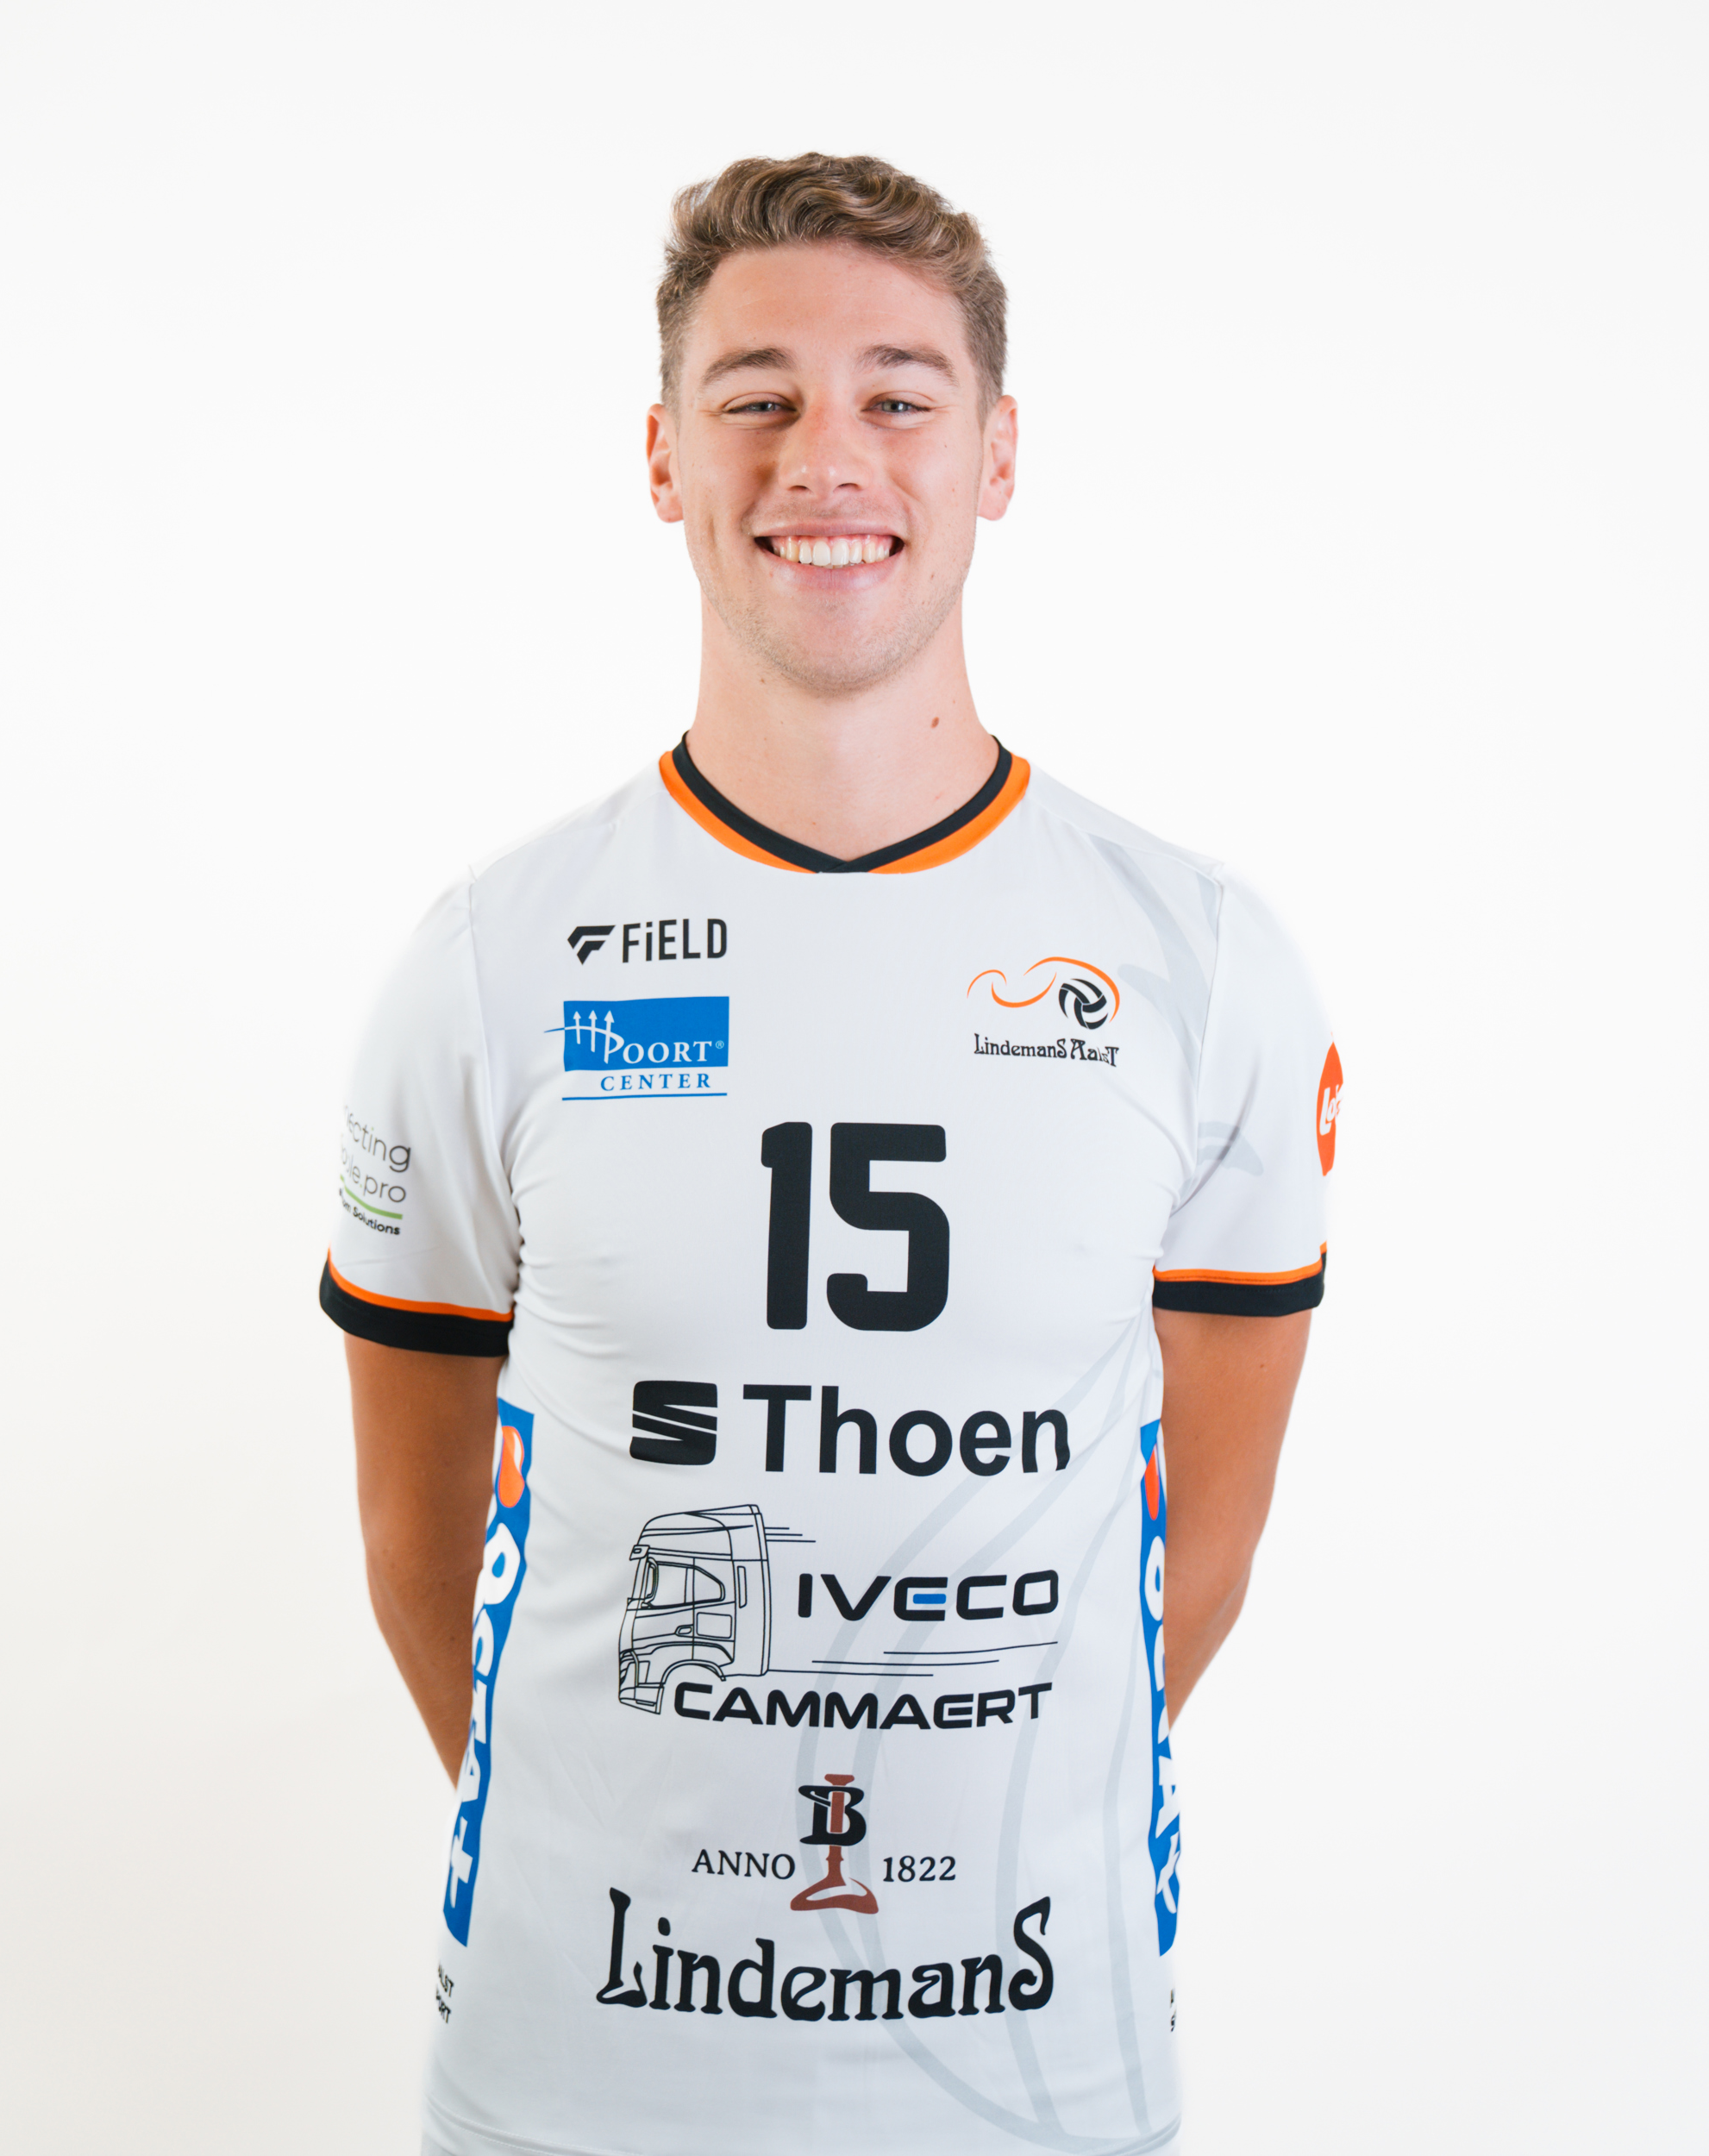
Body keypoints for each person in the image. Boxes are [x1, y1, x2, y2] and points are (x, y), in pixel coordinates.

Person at [322, 152, 1340, 2156]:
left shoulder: (1201, 959)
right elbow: (415, 1537)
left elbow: (1190, 1553)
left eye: (896, 393)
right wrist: (625, 1825)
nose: (826, 458)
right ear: (661, 455)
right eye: (756, 395)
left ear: (996, 452)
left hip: (1035, 2060)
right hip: (571, 2061)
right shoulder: (491, 961)